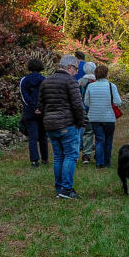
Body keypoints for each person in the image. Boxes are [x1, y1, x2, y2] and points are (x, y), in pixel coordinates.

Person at [40, 54, 87, 199]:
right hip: (67, 123)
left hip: (50, 124)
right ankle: (66, 189)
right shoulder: (70, 81)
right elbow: (78, 105)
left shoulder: (46, 82)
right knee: (71, 155)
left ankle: (59, 187)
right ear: (69, 67)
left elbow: (41, 105)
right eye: (76, 69)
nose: (77, 72)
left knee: (59, 157)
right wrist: (81, 122)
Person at [83, 64, 122, 169]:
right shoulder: (111, 86)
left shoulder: (90, 86)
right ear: (106, 74)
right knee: (108, 140)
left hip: (94, 117)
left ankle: (99, 163)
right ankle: (107, 162)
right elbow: (118, 102)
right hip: (109, 117)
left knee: (99, 139)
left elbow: (86, 102)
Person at [20, 58, 48, 167]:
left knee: (33, 137)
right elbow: (46, 95)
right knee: (43, 136)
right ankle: (45, 158)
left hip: (29, 111)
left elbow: (24, 96)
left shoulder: (24, 80)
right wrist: (40, 107)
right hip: (42, 111)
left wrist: (33, 106)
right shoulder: (44, 80)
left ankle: (34, 160)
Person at [78, 61, 97, 163]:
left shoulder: (80, 82)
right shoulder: (97, 81)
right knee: (98, 132)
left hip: (85, 110)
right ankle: (98, 153)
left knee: (87, 133)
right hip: (96, 109)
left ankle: (86, 155)